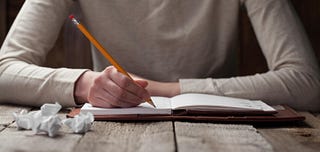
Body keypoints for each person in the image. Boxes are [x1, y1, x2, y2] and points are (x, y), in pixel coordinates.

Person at [0, 0, 319, 111]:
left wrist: (161, 90)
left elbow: (307, 82)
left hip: (223, 129)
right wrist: (86, 84)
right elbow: (4, 71)